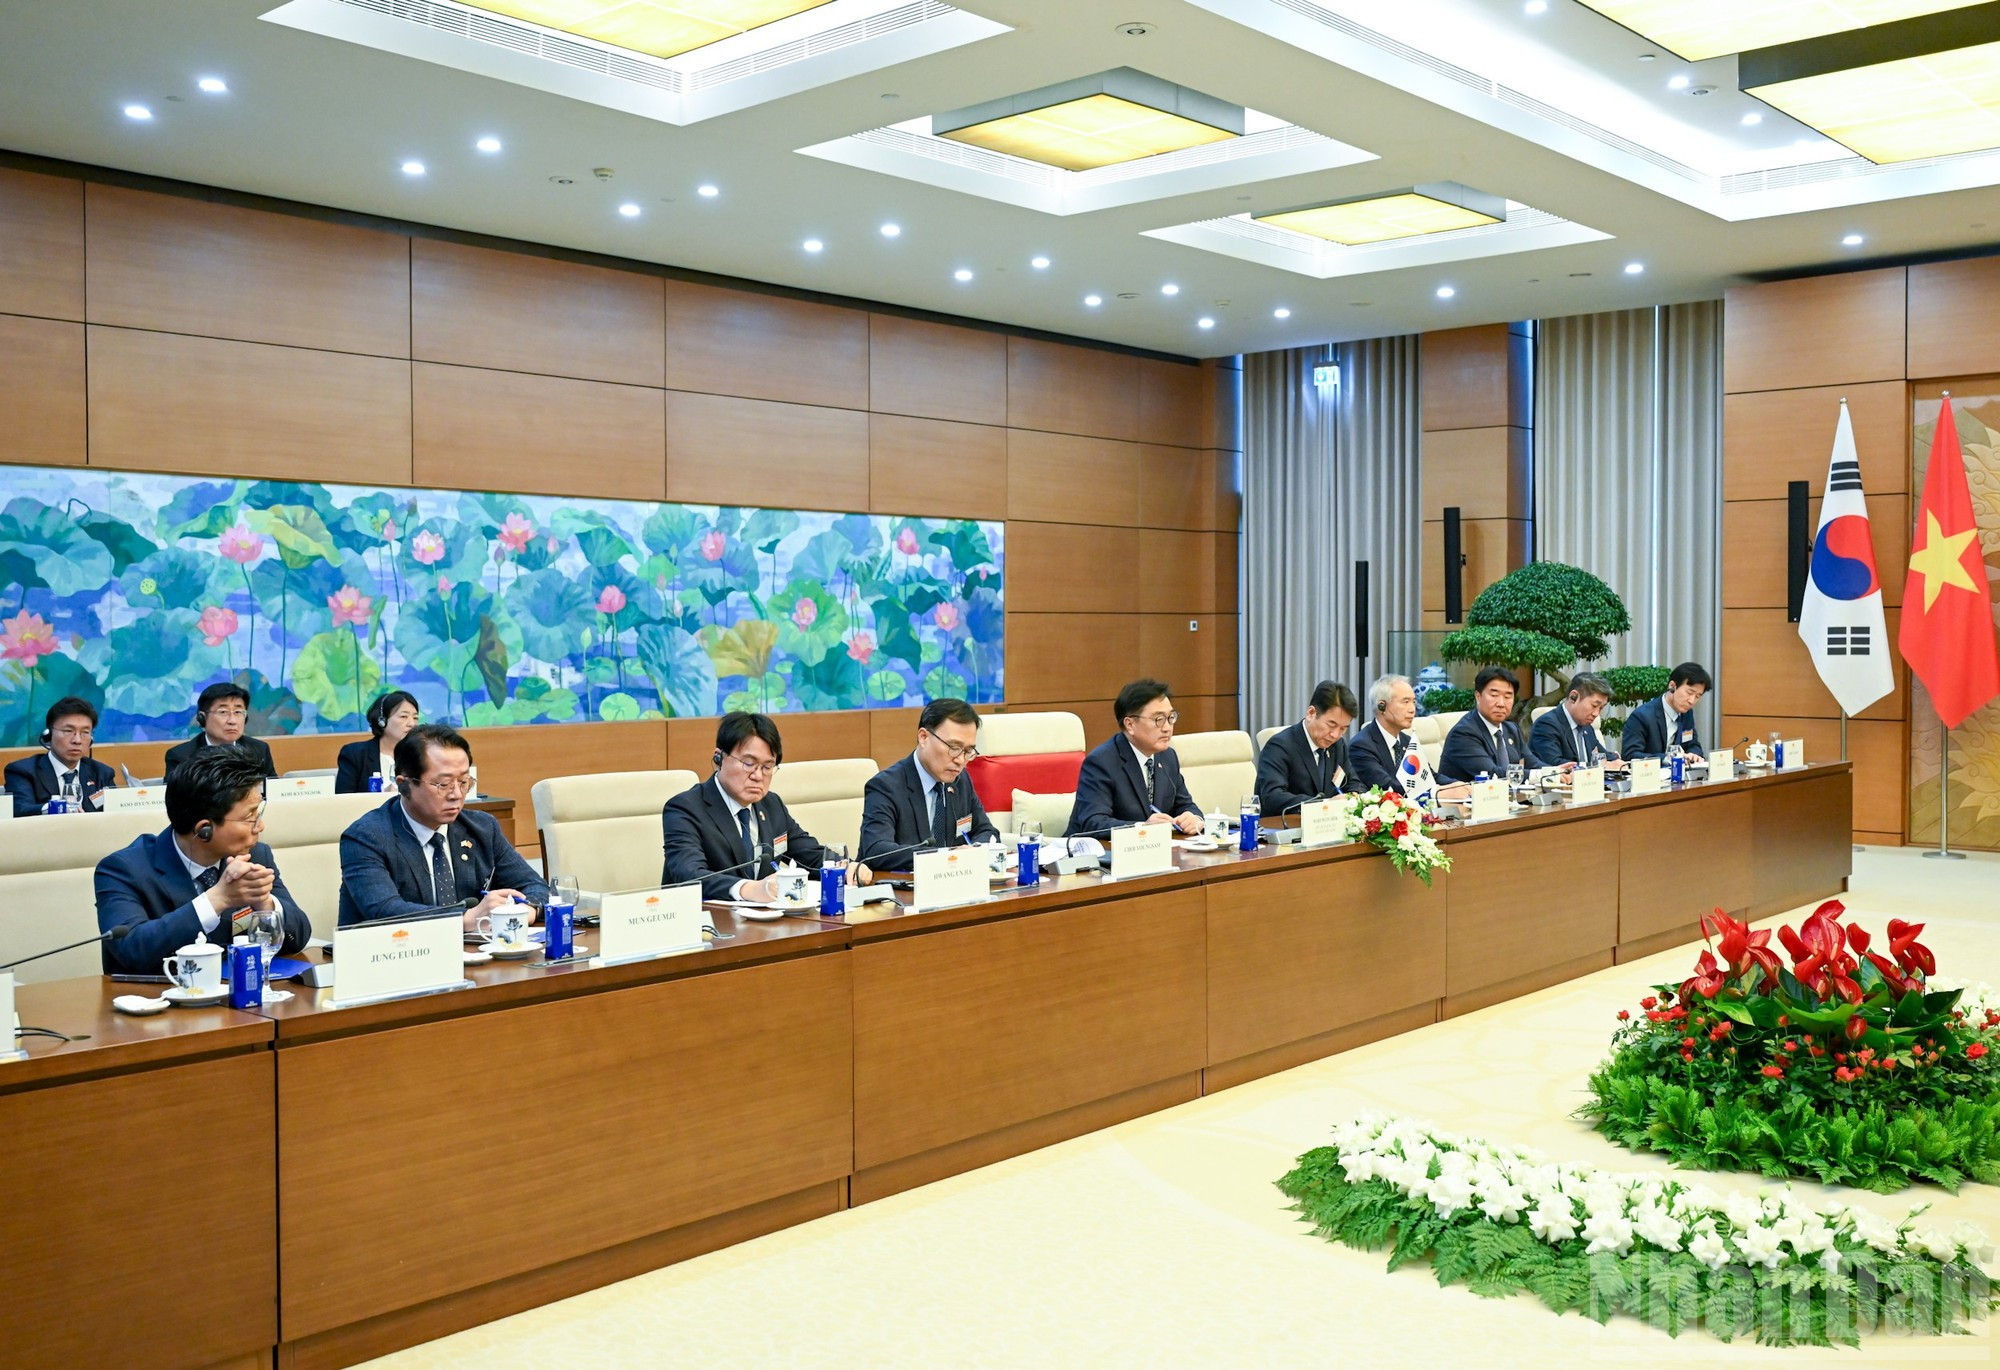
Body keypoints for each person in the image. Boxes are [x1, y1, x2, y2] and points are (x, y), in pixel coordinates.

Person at [93, 747, 311, 976]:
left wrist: (264, 904)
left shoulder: (254, 855)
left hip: (237, 993)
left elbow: (298, 936)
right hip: (160, 995)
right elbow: (132, 950)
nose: (260, 826)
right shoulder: (122, 870)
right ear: (204, 829)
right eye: (250, 817)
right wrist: (218, 899)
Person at [337, 723, 546, 929]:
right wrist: (464, 919)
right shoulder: (366, 837)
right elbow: (385, 911)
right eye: (443, 784)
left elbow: (536, 887)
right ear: (404, 784)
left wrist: (527, 909)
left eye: (463, 782)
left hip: (474, 949)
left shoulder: (482, 828)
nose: (456, 794)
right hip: (394, 948)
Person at [662, 712, 873, 901]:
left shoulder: (771, 805)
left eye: (767, 767)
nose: (757, 776)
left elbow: (808, 855)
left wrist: (846, 867)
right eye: (748, 763)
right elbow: (689, 875)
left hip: (763, 923)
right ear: (719, 757)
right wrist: (747, 889)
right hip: (705, 923)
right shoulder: (685, 808)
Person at [858, 698, 999, 866]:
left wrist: (975, 849)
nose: (960, 760)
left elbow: (987, 831)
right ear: (923, 737)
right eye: (954, 747)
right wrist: (945, 856)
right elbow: (876, 850)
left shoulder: (960, 781)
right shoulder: (886, 786)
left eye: (968, 751)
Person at [1066, 679, 1203, 837]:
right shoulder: (1101, 762)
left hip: (1153, 848)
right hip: (1094, 850)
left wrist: (1194, 819)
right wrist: (1142, 828)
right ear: (1130, 724)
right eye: (1158, 720)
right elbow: (1093, 823)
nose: (1167, 728)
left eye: (1171, 717)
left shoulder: (1167, 756)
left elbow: (1186, 805)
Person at [1255, 679, 1364, 816]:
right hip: (1285, 825)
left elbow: (1354, 783)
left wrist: (1353, 796)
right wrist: (1324, 805)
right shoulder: (1279, 746)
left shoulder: (1338, 746)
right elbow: (1272, 797)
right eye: (1331, 725)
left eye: (1343, 728)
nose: (1335, 735)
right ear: (1311, 713)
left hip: (1326, 825)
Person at [1348, 674, 1464, 798]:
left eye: (1413, 702)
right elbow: (1388, 787)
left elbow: (1429, 776)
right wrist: (1436, 792)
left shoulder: (1407, 741)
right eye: (1405, 702)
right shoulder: (1361, 746)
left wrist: (1458, 785)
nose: (1412, 709)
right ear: (1382, 706)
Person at [6, 696, 118, 815]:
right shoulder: (23, 772)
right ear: (48, 735)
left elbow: (117, 811)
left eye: (85, 732)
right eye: (68, 731)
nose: (77, 740)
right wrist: (58, 808)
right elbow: (20, 810)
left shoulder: (102, 773)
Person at [162, 682, 277, 784]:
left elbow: (273, 792)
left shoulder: (259, 750)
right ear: (202, 718)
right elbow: (176, 799)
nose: (232, 721)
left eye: (238, 712)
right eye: (223, 712)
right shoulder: (181, 756)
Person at [1438, 667, 1532, 784]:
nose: (1501, 704)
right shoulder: (1463, 733)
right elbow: (1493, 774)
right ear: (1478, 696)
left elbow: (1532, 762)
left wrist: (1550, 773)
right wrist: (1537, 775)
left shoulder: (1511, 729)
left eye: (1507, 697)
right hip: (1470, 795)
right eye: (1494, 695)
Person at [1529, 672, 1627, 771]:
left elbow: (1606, 757)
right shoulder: (1546, 725)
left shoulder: (1587, 728)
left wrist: (1617, 762)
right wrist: (1600, 766)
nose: (1596, 713)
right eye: (1594, 706)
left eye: (1601, 708)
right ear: (1573, 697)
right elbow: (1556, 765)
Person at [1622, 662, 1711, 760]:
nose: (1692, 701)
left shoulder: (1687, 714)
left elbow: (1693, 744)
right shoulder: (1642, 716)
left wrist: (1693, 755)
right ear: (1672, 686)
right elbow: (1630, 755)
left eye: (1697, 696)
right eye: (1689, 693)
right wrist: (1668, 758)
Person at [336, 690, 420, 793]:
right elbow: (344, 799)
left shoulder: (419, 755)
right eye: (403, 716)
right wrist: (382, 797)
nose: (412, 724)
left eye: (415, 718)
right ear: (382, 720)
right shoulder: (355, 754)